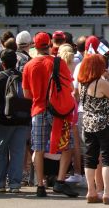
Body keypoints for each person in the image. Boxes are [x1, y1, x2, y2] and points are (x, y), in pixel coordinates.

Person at [22, 32, 78, 197]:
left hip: (38, 110)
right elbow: (68, 85)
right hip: (58, 111)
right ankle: (60, 181)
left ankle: (40, 185)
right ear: (49, 44)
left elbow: (26, 94)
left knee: (38, 149)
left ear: (35, 46)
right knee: (67, 145)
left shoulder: (28, 65)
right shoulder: (58, 62)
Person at [78, 54, 109, 204]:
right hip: (104, 124)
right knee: (107, 158)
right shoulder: (101, 83)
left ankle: (91, 192)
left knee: (90, 158)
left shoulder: (82, 83)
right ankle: (108, 194)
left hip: (88, 123)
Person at [0, 49, 30, 193]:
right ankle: (15, 184)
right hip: (22, 119)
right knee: (18, 152)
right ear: (16, 62)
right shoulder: (23, 77)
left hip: (3, 120)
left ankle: (0, 183)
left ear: (2, 63)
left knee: (1, 151)